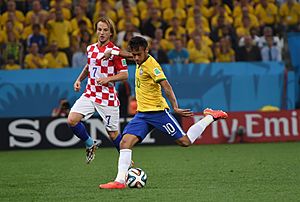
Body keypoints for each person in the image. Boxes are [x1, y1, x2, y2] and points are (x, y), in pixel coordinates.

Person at [99, 36, 228, 189]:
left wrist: (175, 107)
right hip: (142, 115)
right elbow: (126, 54)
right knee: (124, 143)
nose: (136, 58)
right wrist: (111, 52)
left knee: (185, 142)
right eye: (133, 54)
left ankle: (209, 117)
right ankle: (120, 181)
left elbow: (166, 86)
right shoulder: (138, 57)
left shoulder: (152, 66)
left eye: (138, 54)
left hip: (158, 112)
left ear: (147, 50)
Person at [67, 17, 128, 164]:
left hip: (107, 96)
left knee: (113, 134)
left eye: (105, 30)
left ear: (111, 33)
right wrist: (78, 80)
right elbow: (89, 67)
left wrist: (108, 79)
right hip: (90, 93)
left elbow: (125, 74)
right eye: (99, 29)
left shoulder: (115, 51)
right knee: (72, 120)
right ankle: (90, 143)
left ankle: (128, 164)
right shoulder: (90, 48)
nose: (102, 33)